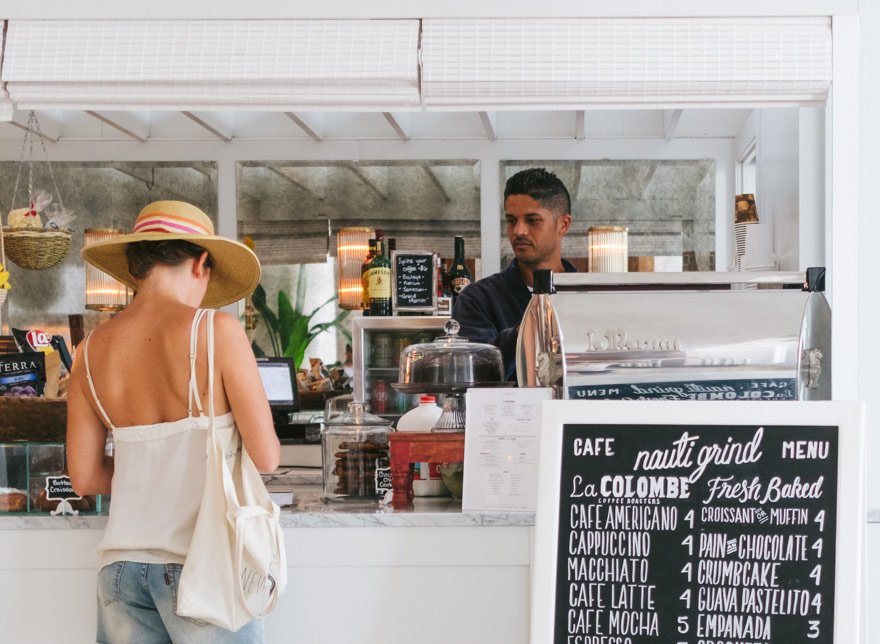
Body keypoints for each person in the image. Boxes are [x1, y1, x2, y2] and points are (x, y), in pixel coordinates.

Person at [67, 201, 280, 644]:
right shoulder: (217, 330)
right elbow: (267, 457)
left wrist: (149, 470)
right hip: (203, 565)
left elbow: (84, 478)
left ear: (134, 267)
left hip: (119, 571)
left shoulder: (89, 351)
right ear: (201, 262)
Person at [452, 168, 576, 379]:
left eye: (532, 220)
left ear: (563, 225)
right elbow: (473, 374)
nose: (518, 231)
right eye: (511, 221)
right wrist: (527, 329)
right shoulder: (478, 299)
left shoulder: (588, 297)